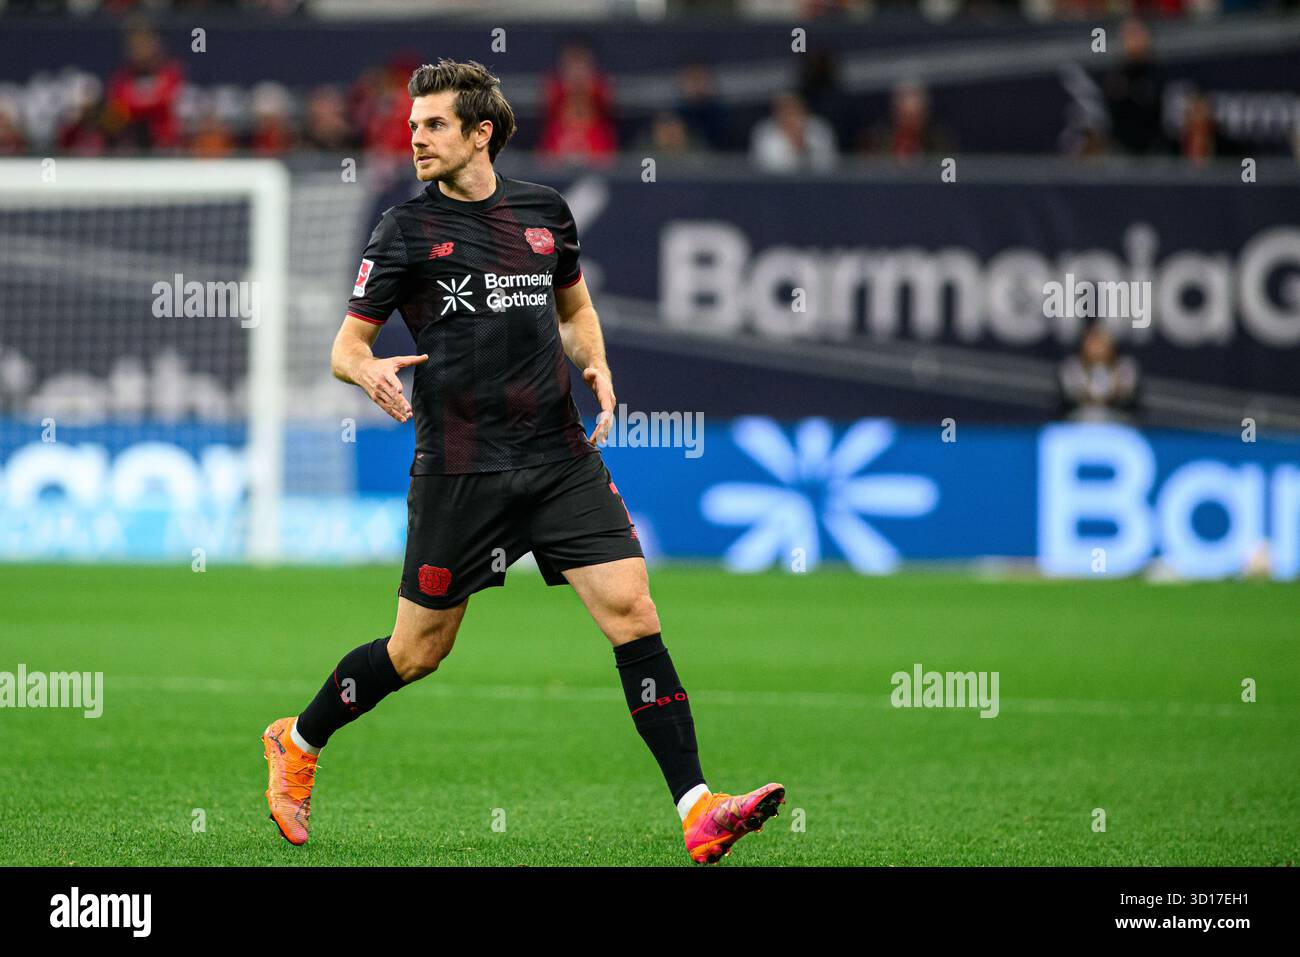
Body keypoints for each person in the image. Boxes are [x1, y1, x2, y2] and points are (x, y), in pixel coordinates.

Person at [260, 58, 784, 865]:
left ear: (482, 132)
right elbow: (345, 346)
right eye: (413, 125)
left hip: (556, 453)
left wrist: (595, 362)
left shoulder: (546, 214)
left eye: (434, 124)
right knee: (418, 651)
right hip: (459, 467)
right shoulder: (403, 231)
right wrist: (364, 370)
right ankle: (297, 738)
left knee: (631, 608)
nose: (416, 137)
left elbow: (572, 304)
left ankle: (698, 806)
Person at [1057, 323, 1141, 423]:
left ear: (1112, 345)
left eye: (1101, 342)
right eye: (1093, 342)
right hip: (1079, 420)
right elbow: (1071, 398)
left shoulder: (1124, 365)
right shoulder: (1072, 365)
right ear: (1084, 344)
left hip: (1117, 420)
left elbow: (1126, 398)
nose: (1097, 347)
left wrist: (1113, 388)